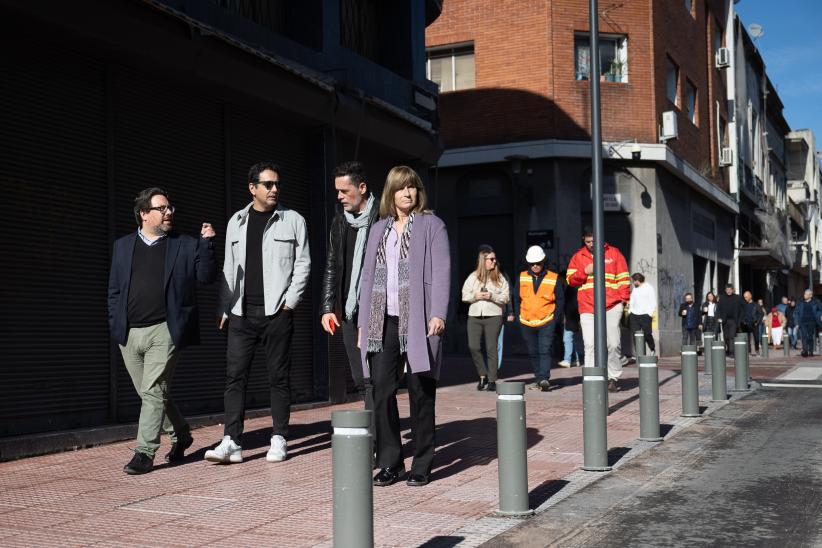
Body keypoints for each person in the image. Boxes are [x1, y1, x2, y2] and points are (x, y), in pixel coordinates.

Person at [206, 162, 311, 464]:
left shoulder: (292, 220)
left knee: (278, 377)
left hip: (277, 312)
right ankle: (232, 441)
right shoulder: (236, 222)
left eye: (277, 184)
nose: (275, 189)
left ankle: (279, 438)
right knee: (234, 377)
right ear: (252, 188)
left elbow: (303, 264)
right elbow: (229, 268)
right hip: (241, 313)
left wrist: (290, 302)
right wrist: (224, 307)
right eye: (268, 185)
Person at [108, 188, 217, 474]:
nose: (169, 212)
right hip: (130, 333)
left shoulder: (185, 244)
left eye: (170, 208)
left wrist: (206, 244)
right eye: (162, 208)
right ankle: (181, 433)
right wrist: (115, 321)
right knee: (150, 394)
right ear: (144, 214)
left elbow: (206, 277)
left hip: (165, 330)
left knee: (153, 390)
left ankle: (144, 452)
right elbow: (115, 290)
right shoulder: (122, 246)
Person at [357, 166, 450, 488]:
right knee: (381, 391)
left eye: (412, 187)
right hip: (382, 319)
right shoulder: (379, 229)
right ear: (390, 193)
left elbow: (442, 271)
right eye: (401, 188)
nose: (407, 193)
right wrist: (362, 323)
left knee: (420, 390)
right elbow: (367, 278)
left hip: (419, 319)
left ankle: (423, 462)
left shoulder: (432, 225)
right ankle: (390, 462)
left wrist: (438, 313)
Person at [320, 161, 378, 409]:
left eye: (345, 191)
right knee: (359, 377)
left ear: (362, 187)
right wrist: (327, 307)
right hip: (349, 311)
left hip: (377, 308)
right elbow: (332, 265)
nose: (339, 196)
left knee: (377, 377)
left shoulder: (383, 217)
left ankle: (380, 438)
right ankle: (378, 434)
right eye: (337, 191)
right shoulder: (340, 222)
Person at [567, 227, 630, 392]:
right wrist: (584, 271)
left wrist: (623, 300)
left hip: (612, 304)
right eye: (587, 242)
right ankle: (591, 378)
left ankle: (613, 377)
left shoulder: (614, 253)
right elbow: (570, 280)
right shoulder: (578, 257)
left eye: (593, 241)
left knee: (613, 343)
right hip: (587, 306)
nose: (591, 245)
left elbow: (623, 278)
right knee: (589, 344)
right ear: (584, 240)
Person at [514, 246, 564, 391]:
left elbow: (560, 300)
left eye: (538, 263)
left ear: (543, 261)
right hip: (526, 321)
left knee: (544, 350)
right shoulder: (522, 277)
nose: (535, 266)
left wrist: (555, 318)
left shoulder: (553, 278)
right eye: (532, 263)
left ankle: (544, 378)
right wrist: (518, 316)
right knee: (533, 352)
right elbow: (516, 298)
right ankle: (538, 378)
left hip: (546, 321)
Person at [462, 247, 509, 392]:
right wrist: (475, 296)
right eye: (491, 259)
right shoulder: (472, 277)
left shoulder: (500, 277)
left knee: (491, 347)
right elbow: (464, 296)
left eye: (495, 259)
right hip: (474, 316)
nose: (494, 261)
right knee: (473, 346)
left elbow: (506, 298)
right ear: (484, 261)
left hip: (494, 316)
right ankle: (483, 374)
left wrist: (492, 296)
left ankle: (493, 380)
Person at [628, 273, 656, 356]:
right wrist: (630, 311)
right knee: (635, 335)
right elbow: (632, 300)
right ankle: (639, 354)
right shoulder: (635, 289)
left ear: (637, 280)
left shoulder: (649, 288)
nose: (633, 283)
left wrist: (649, 313)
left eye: (633, 281)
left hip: (645, 315)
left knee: (647, 334)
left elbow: (653, 301)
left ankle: (652, 348)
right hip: (634, 314)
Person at [559, 276, 583, 367]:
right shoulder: (572, 289)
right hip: (572, 318)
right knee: (572, 339)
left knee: (567, 339)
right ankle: (575, 359)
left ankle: (567, 360)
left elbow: (571, 305)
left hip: (571, 318)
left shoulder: (570, 289)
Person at [716, 283, 744, 353]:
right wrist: (719, 317)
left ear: (733, 290)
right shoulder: (722, 298)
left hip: (734, 320)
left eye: (730, 290)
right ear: (725, 290)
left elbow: (742, 309)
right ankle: (728, 349)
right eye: (727, 290)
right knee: (726, 337)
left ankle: (732, 351)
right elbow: (718, 309)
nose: (729, 291)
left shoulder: (737, 298)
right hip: (724, 320)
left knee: (732, 335)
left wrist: (739, 320)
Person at [793, 289, 822, 357]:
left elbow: (821, 310)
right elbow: (796, 312)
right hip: (802, 322)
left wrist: (819, 315)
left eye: (806, 294)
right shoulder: (800, 302)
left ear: (810, 295)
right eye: (804, 294)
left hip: (812, 322)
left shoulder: (816, 302)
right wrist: (796, 323)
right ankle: (805, 351)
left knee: (810, 337)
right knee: (804, 336)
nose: (804, 295)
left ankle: (811, 351)